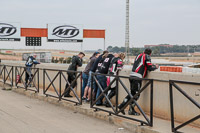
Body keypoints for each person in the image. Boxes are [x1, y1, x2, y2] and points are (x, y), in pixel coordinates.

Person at [118, 48, 159, 115]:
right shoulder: (147, 56)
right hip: (137, 77)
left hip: (132, 75)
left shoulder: (139, 55)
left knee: (132, 94)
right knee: (136, 95)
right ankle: (129, 109)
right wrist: (155, 67)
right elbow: (150, 67)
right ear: (150, 54)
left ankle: (122, 106)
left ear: (143, 51)